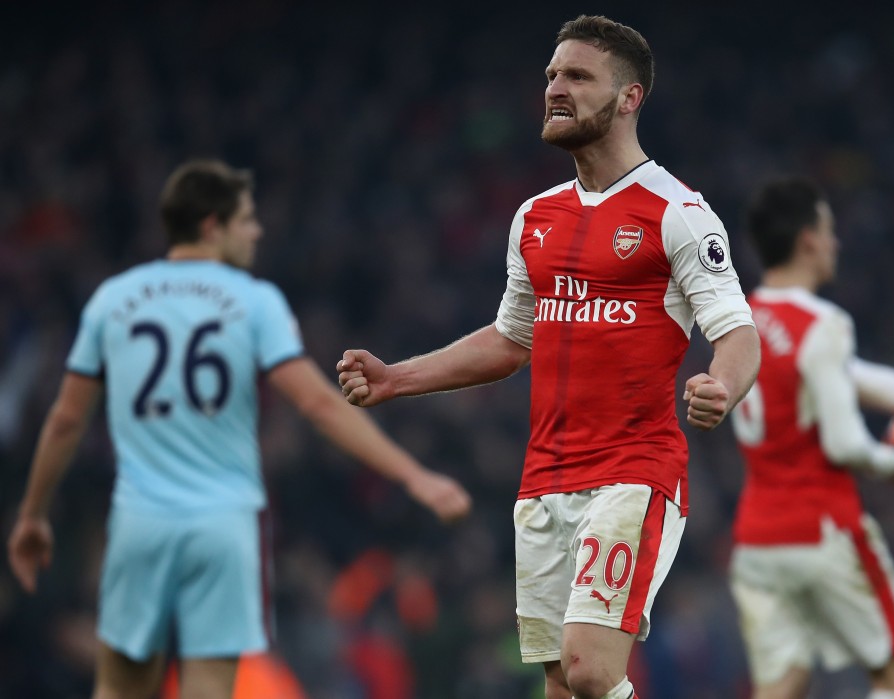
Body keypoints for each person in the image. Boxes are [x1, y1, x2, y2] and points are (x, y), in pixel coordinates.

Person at [338, 15, 760, 699]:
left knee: (594, 668)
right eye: (552, 76)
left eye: (578, 77)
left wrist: (722, 384)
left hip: (634, 471)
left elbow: (739, 331)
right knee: (563, 686)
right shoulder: (536, 216)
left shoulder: (678, 212)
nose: (555, 89)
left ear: (629, 98)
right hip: (544, 481)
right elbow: (511, 340)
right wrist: (397, 377)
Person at [6, 159, 472, 699]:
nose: (255, 231)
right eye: (246, 220)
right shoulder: (253, 302)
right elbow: (320, 406)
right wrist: (411, 474)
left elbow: (66, 418)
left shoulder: (114, 299)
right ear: (211, 226)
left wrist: (34, 512)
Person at [728, 175, 894, 699]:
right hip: (824, 530)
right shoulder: (823, 323)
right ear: (807, 241)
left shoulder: (741, 317)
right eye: (829, 230)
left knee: (783, 684)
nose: (835, 243)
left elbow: (847, 377)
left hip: (757, 538)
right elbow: (845, 443)